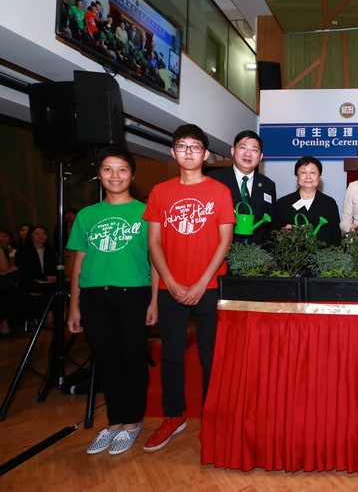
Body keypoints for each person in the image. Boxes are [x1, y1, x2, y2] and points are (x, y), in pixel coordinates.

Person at [142, 124, 235, 452]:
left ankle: (210, 417)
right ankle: (173, 415)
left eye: (196, 147)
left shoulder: (219, 192)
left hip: (208, 287)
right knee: (171, 356)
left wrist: (199, 284)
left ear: (206, 154)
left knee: (210, 357)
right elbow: (153, 242)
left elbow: (225, 241)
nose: (189, 152)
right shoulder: (159, 192)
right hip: (170, 287)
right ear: (173, 152)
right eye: (183, 146)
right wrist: (169, 282)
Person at [67, 147, 158, 455]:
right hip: (94, 297)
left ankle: (132, 423)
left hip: (133, 295)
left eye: (121, 170)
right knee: (106, 361)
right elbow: (79, 262)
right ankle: (114, 421)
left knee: (133, 359)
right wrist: (74, 306)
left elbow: (156, 261)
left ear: (132, 175)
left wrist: (154, 301)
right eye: (108, 169)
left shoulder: (146, 214)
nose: (115, 176)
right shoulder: (86, 215)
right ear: (100, 174)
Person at [208, 130, 277, 246]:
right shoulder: (214, 179)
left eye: (254, 150)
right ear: (233, 151)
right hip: (223, 253)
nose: (248, 154)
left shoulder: (268, 185)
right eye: (243, 148)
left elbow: (270, 222)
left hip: (258, 257)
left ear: (260, 157)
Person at [274, 156, 342, 248]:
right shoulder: (283, 203)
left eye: (313, 172)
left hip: (322, 259)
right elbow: (273, 236)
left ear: (319, 176)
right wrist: (284, 232)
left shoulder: (329, 203)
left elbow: (336, 239)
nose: (308, 177)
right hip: (291, 259)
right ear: (297, 176)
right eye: (303, 172)